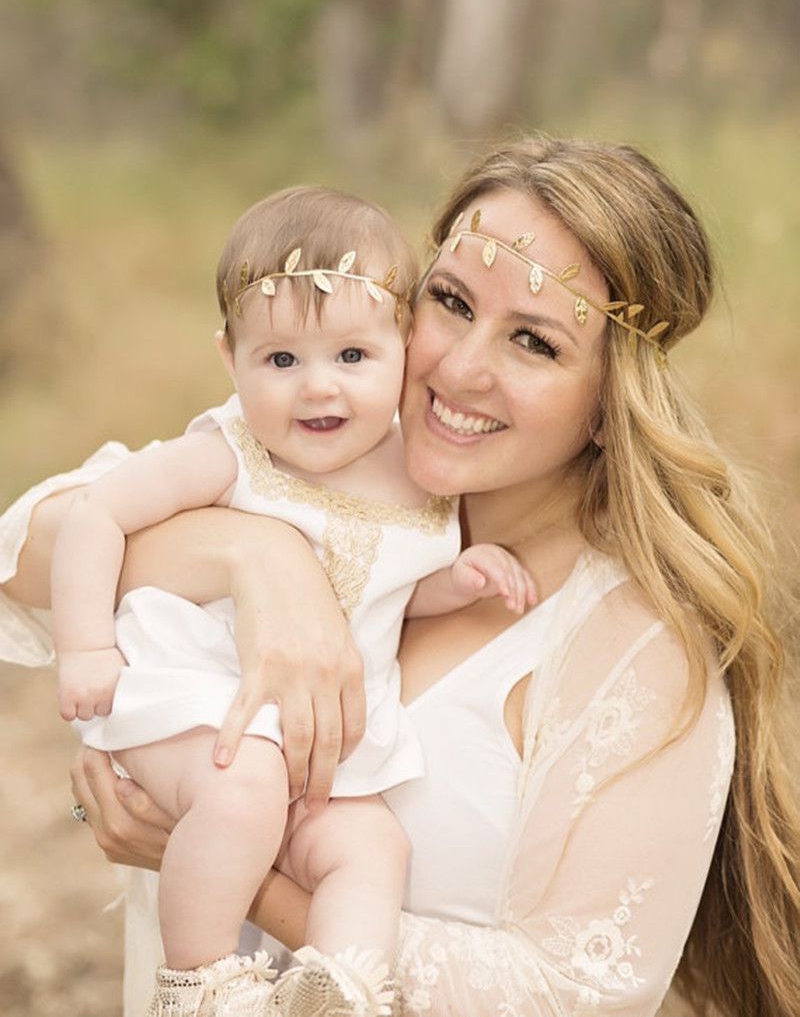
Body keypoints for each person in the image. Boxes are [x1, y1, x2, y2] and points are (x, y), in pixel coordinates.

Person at [2, 135, 799, 1017]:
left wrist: (238, 871)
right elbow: (29, 545)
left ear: (613, 401)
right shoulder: (308, 464)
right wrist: (258, 556)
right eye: (450, 301)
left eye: (533, 341)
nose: (458, 368)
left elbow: (577, 992)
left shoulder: (636, 649)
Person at [45, 183, 536, 1017]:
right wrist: (86, 646)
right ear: (229, 359)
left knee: (373, 845)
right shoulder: (231, 453)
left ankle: (336, 984)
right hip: (201, 710)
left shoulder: (417, 481)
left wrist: (457, 582)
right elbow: (96, 515)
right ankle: (198, 982)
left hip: (323, 749)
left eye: (352, 357)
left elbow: (383, 595)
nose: (318, 389)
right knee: (245, 793)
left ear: (404, 349)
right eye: (281, 361)